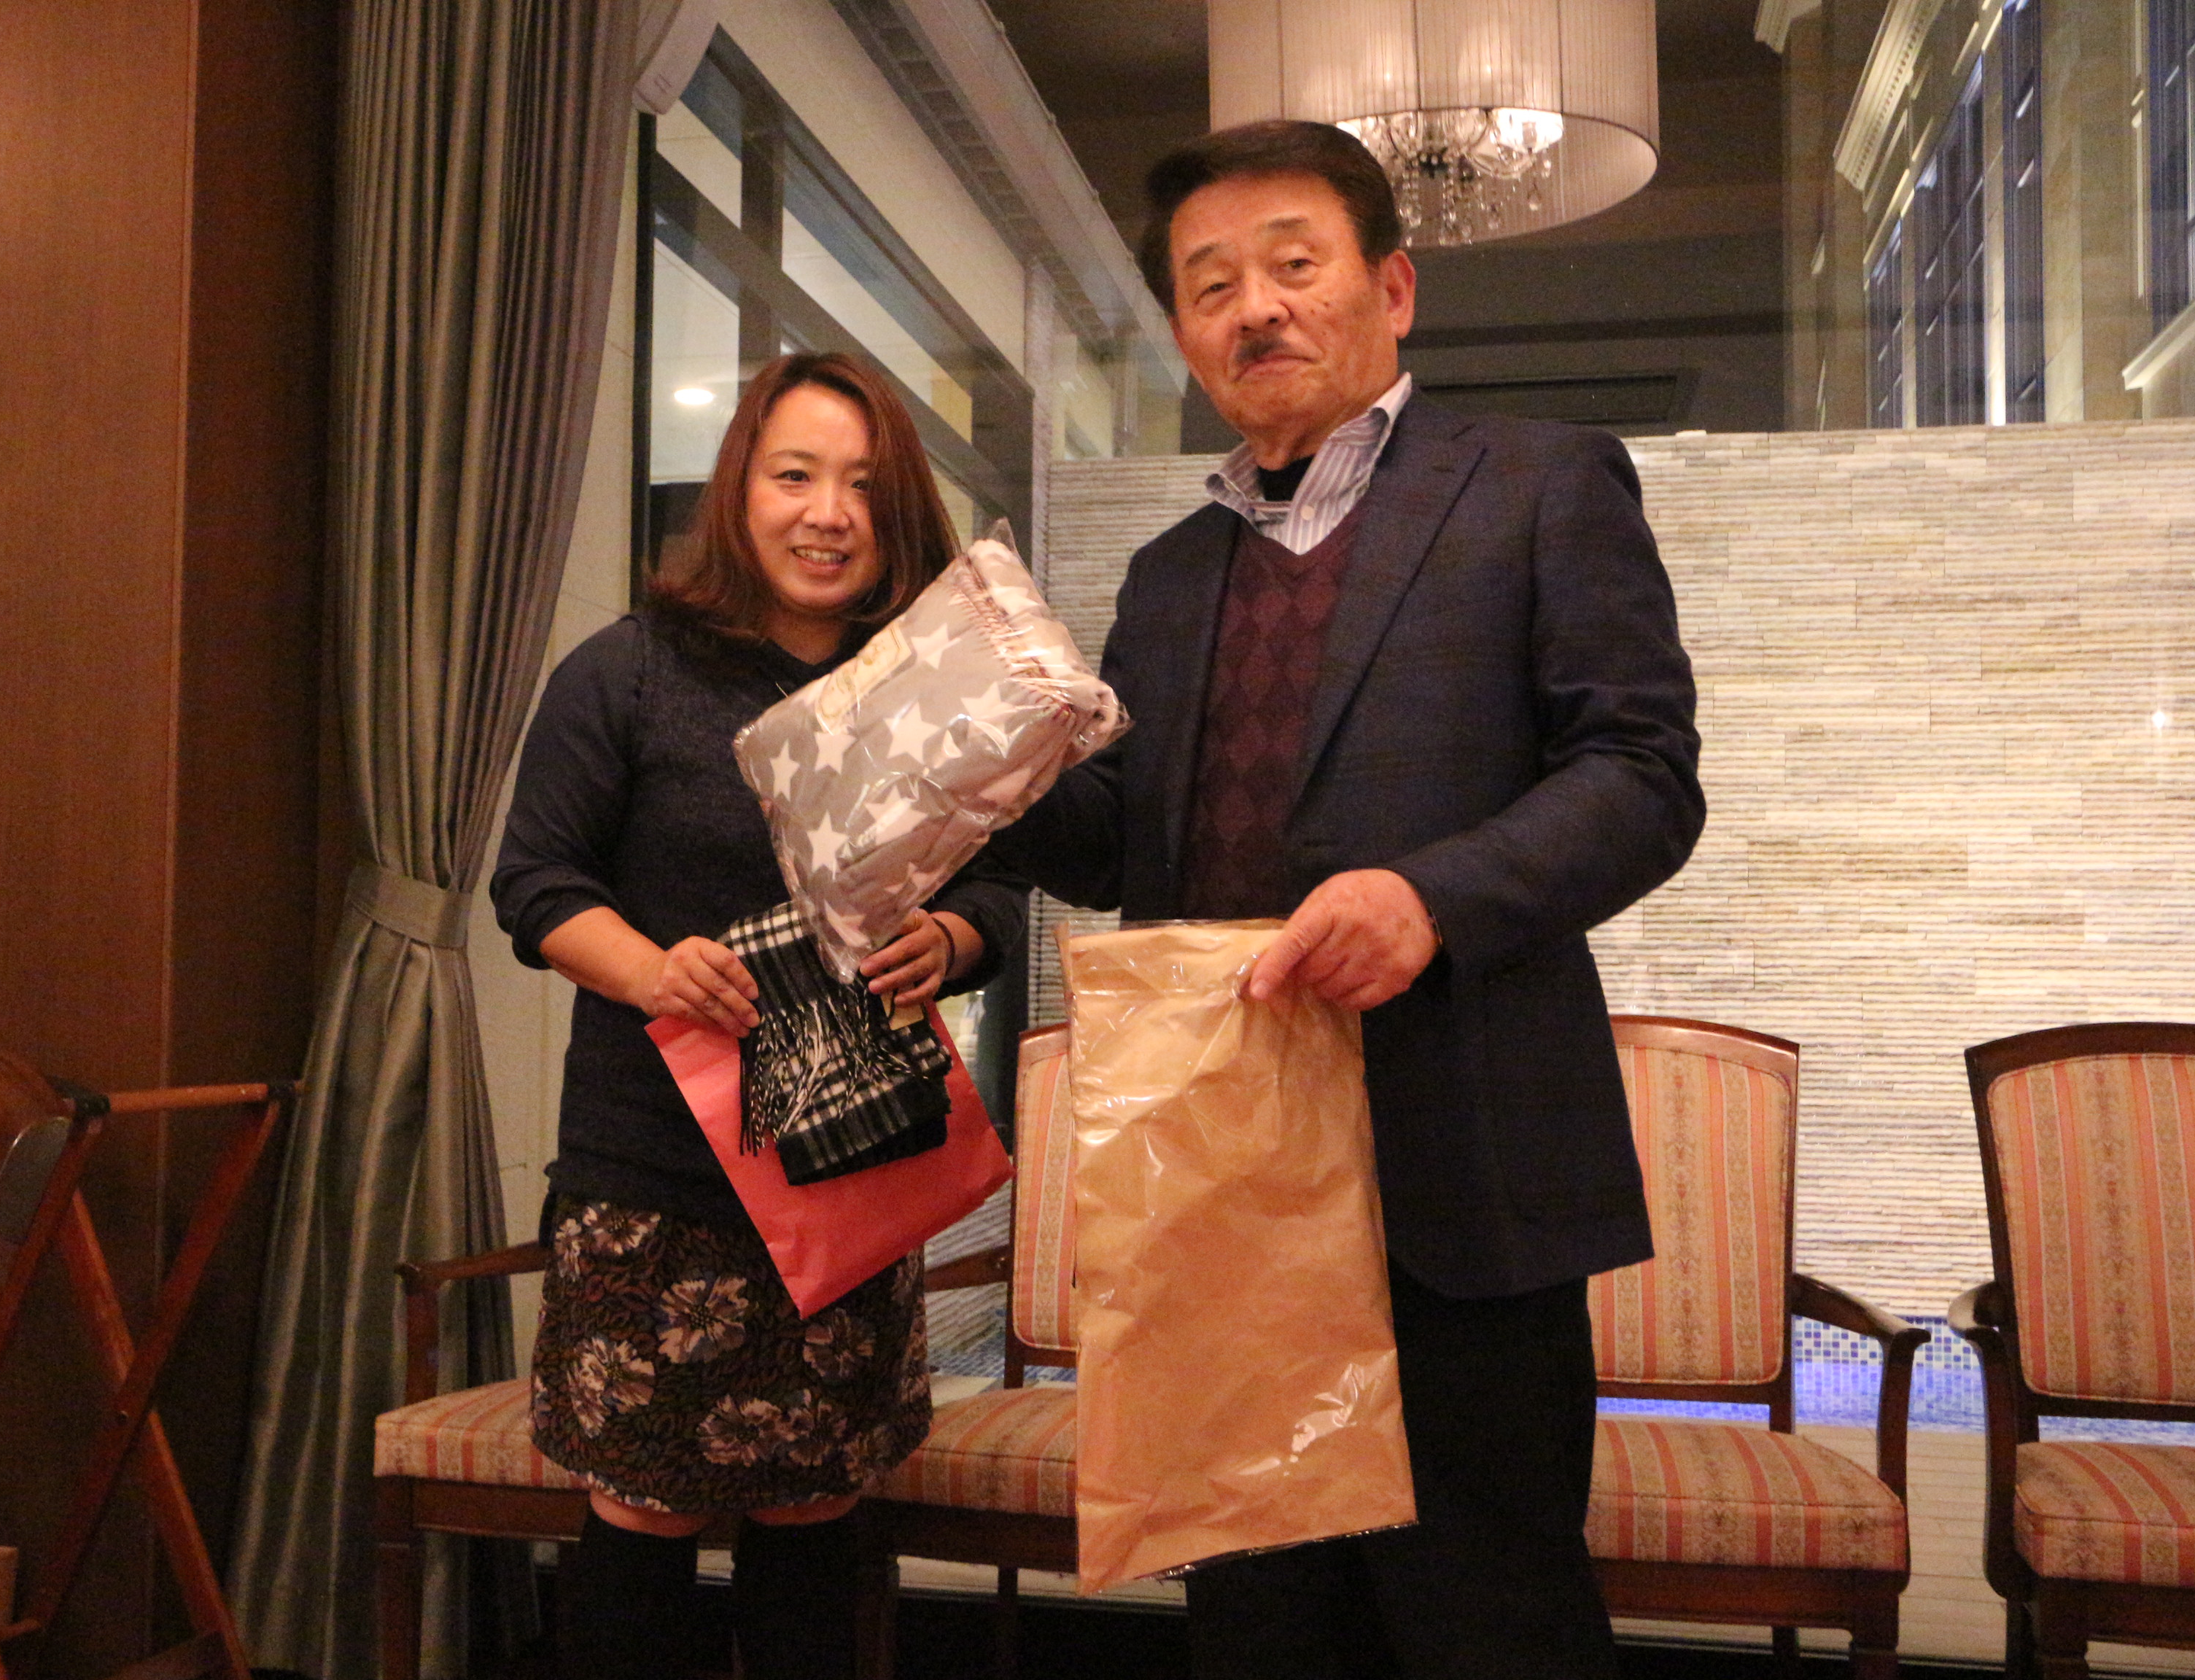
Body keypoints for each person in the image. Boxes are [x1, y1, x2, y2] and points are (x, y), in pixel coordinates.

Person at [988, 121, 1705, 1677]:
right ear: (1185, 333)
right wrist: (981, 761)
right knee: (1260, 1625)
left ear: (1391, 287)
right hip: (1225, 1184)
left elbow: (1644, 776)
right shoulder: (1171, 573)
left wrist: (1433, 900)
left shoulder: (1537, 482)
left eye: (1293, 265)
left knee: (1488, 1621)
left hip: (1461, 1166)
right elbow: (1128, 846)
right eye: (1211, 285)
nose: (1256, 308)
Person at [492, 351, 1025, 1680]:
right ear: (740, 491)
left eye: (863, 486)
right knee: (643, 1516)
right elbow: (537, 883)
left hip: (849, 1168)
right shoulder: (627, 671)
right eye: (796, 476)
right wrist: (649, 971)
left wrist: (952, 938)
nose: (828, 513)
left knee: (815, 1516)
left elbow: (1002, 882)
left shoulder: (920, 690)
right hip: (653, 1182)